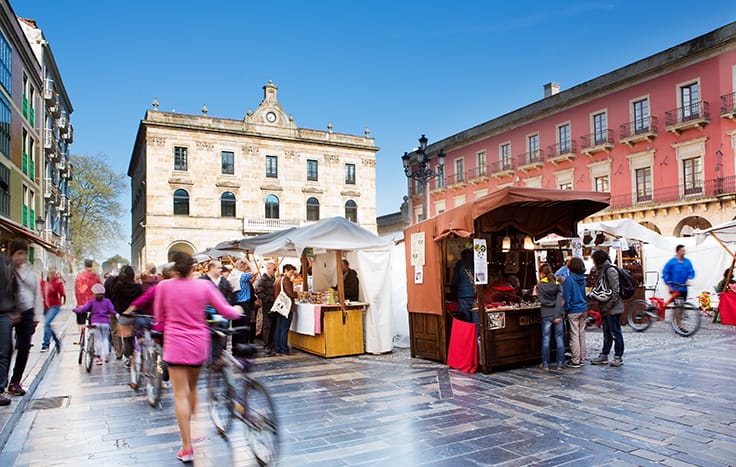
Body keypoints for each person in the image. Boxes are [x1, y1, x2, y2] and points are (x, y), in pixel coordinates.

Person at [152, 251, 242, 462]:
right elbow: (225, 311)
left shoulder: (164, 287)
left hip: (174, 345)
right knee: (192, 389)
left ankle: (186, 446)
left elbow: (158, 317)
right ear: (193, 268)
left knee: (179, 394)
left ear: (175, 268)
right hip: (198, 346)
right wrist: (237, 310)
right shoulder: (204, 286)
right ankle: (194, 430)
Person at [4, 239, 43, 397]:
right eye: (19, 253)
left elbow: (37, 294)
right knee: (6, 348)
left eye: (25, 253)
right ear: (12, 254)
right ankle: (2, 381)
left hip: (27, 312)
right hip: (8, 312)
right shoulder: (5, 270)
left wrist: (36, 316)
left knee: (24, 347)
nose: (23, 257)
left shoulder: (31, 272)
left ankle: (15, 382)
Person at [588, 249, 625, 367]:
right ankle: (604, 355)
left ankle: (618, 356)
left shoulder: (610, 270)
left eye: (594, 260)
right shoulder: (602, 270)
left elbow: (615, 290)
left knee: (615, 332)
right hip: (605, 307)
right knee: (607, 332)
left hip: (612, 308)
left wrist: (609, 305)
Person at [73, 283, 116, 365]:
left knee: (98, 340)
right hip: (105, 323)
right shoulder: (107, 301)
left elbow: (83, 309)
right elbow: (112, 311)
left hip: (95, 323)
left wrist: (75, 310)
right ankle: (106, 355)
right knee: (105, 339)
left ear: (94, 293)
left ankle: (99, 358)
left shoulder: (92, 302)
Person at [110, 266, 143, 364]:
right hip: (137, 316)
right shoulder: (138, 287)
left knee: (127, 339)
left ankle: (130, 357)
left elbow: (114, 300)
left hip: (124, 316)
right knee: (140, 336)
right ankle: (141, 355)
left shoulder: (117, 287)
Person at [535, 263, 564, 371]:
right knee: (559, 338)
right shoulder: (557, 284)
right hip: (558, 314)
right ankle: (560, 363)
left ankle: (545, 363)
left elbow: (542, 301)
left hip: (546, 314)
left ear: (542, 273)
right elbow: (559, 301)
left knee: (546, 339)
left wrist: (549, 304)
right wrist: (556, 310)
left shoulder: (540, 286)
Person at [563, 257, 588, 368]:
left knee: (574, 335)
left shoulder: (569, 279)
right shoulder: (582, 278)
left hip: (573, 310)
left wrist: (565, 310)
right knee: (581, 334)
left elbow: (567, 297)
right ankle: (582, 358)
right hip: (583, 308)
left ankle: (575, 359)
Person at [74, 259, 102, 343]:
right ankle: (93, 338)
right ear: (91, 265)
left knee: (81, 322)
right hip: (93, 303)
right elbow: (101, 289)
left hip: (82, 303)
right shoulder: (96, 277)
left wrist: (78, 303)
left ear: (84, 265)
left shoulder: (79, 276)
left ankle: (82, 339)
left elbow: (77, 290)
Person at [232, 259, 258, 345]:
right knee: (244, 327)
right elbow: (255, 271)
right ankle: (243, 347)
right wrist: (248, 262)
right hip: (244, 304)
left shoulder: (233, 275)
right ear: (242, 267)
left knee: (236, 327)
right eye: (245, 267)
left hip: (235, 303)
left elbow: (247, 284)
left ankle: (235, 347)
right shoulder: (242, 275)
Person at [273, 264, 298, 355]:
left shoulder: (278, 279)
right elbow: (289, 293)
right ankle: (284, 348)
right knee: (284, 329)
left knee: (279, 328)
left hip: (279, 306)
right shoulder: (286, 280)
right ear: (286, 270)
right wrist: (296, 293)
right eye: (291, 272)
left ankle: (278, 347)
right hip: (286, 307)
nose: (292, 274)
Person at [0, 252, 14, 405]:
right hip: (4, 312)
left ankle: (0, 389)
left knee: (5, 352)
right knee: (4, 352)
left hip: (4, 311)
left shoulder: (4, 261)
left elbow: (11, 286)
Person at [41, 267, 66, 353]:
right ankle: (57, 342)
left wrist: (64, 302)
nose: (51, 274)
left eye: (53, 273)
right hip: (45, 307)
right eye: (50, 272)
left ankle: (45, 344)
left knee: (47, 323)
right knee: (47, 326)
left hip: (55, 306)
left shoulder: (57, 282)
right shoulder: (43, 283)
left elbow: (62, 293)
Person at [255, 261, 277, 355]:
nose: (275, 271)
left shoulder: (273, 278)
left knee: (273, 324)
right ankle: (266, 345)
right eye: (274, 269)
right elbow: (259, 292)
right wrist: (270, 299)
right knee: (267, 325)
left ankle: (272, 344)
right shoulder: (262, 279)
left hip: (274, 304)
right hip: (268, 305)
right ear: (268, 268)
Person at [450, 249, 476, 323]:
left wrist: (452, 287)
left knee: (465, 318)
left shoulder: (460, 264)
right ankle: (476, 333)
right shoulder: (476, 263)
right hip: (475, 294)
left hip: (463, 294)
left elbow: (455, 280)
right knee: (476, 317)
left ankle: (468, 333)